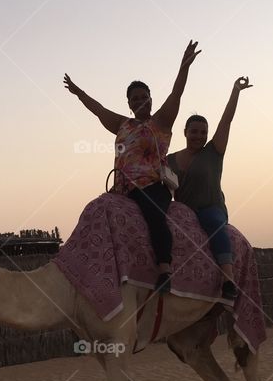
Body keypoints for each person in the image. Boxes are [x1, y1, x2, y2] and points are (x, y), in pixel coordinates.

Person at [64, 41, 201, 293]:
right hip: (122, 190)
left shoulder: (160, 122)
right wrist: (78, 92)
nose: (139, 101)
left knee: (154, 216)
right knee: (97, 211)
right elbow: (98, 109)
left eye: (143, 97)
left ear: (150, 99)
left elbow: (176, 95)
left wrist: (184, 66)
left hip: (151, 187)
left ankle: (164, 269)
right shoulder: (122, 124)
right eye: (134, 98)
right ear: (129, 103)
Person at [168, 76, 252, 300]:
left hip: (210, 208)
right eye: (194, 131)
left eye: (203, 132)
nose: (199, 136)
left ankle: (228, 278)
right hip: (183, 211)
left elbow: (227, 121)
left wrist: (235, 91)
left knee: (215, 224)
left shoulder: (213, 152)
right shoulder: (170, 160)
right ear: (185, 132)